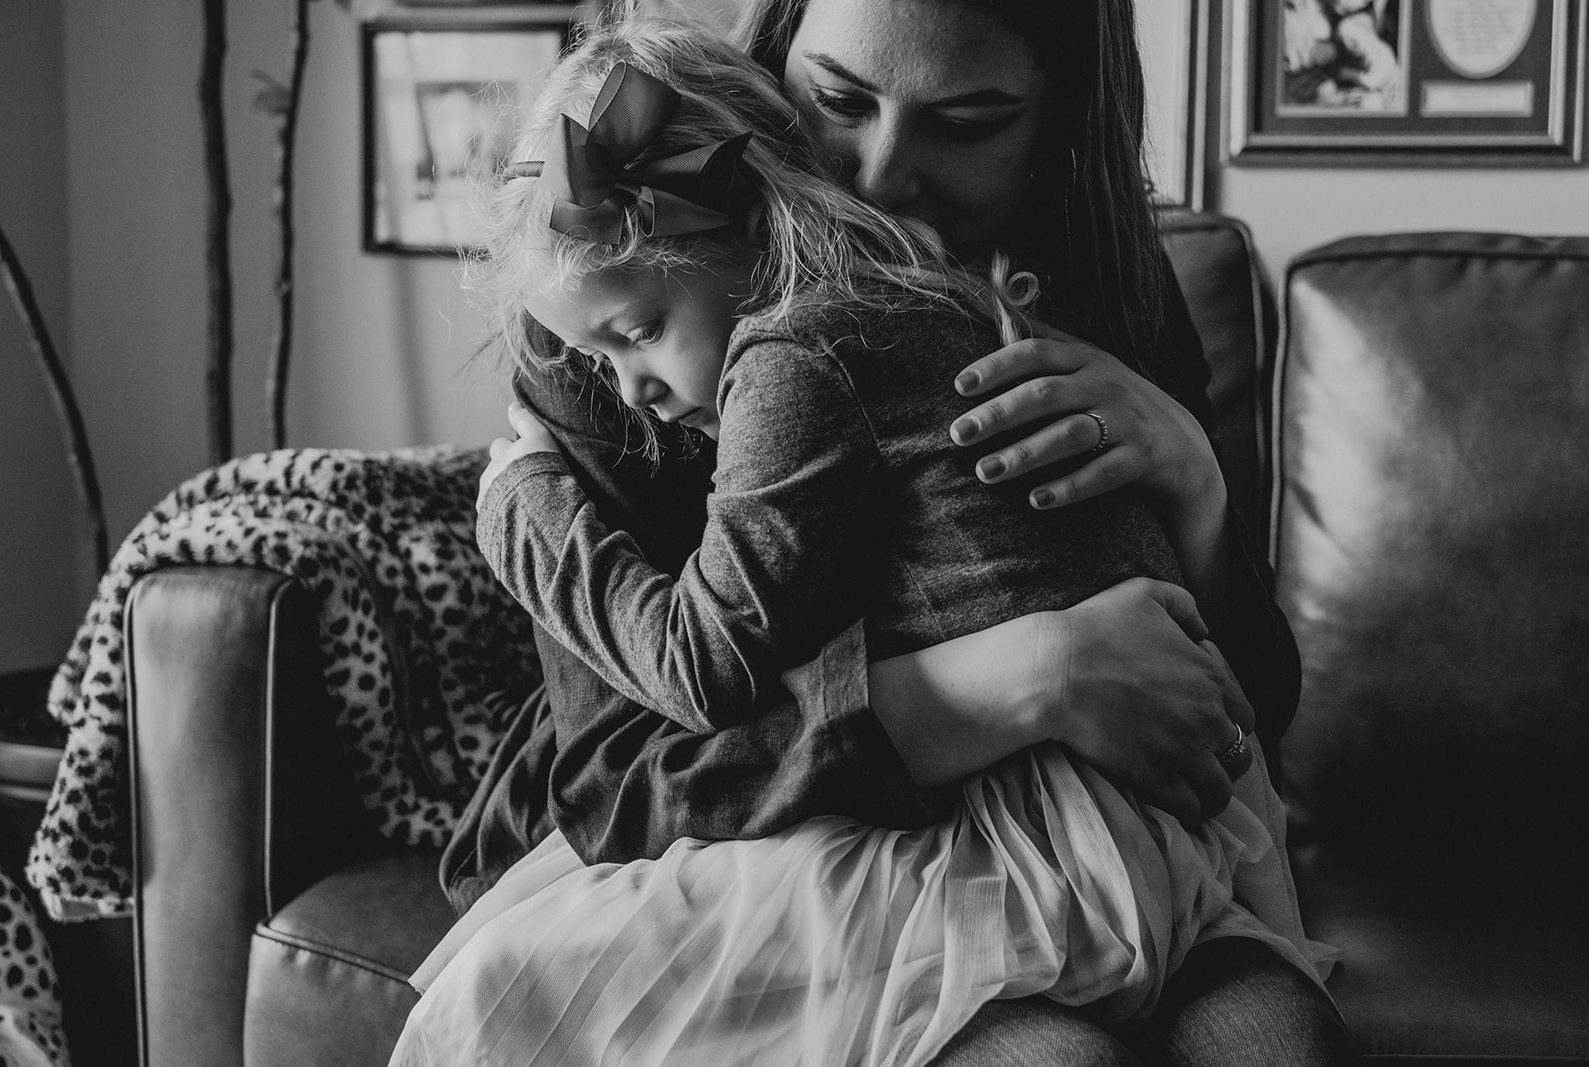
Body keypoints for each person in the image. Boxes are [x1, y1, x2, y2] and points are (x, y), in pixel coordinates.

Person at [392, 25, 1334, 1064]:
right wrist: (1026, 676)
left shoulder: (1095, 283)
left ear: (1056, 120)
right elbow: (628, 769)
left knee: (1275, 1045)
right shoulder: (609, 296)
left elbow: (1248, 714)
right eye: (839, 101)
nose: (883, 173)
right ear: (771, 76)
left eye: (967, 120)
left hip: (1095, 841)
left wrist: (1191, 484)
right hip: (762, 830)